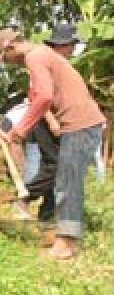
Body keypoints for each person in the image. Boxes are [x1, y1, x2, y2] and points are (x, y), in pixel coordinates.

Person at [0, 26, 106, 259]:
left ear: (12, 48)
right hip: (79, 124)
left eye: (6, 58)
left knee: (67, 182)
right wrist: (16, 132)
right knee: (65, 180)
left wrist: (21, 130)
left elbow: (45, 97)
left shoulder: (35, 57)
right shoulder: (42, 55)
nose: (8, 63)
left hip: (81, 123)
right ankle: (65, 237)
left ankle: (67, 244)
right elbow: (38, 98)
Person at [46, 22, 106, 183]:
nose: (73, 49)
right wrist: (52, 121)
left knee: (90, 163)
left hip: (86, 121)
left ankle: (98, 195)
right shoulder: (51, 65)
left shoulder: (65, 66)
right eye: (72, 44)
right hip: (78, 124)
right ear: (64, 45)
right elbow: (40, 96)